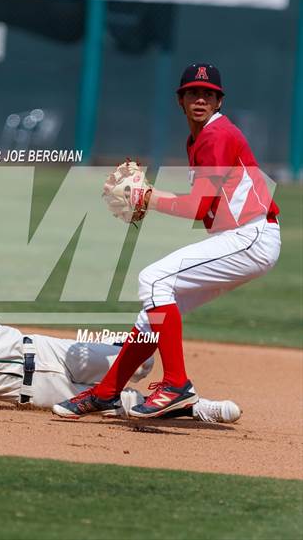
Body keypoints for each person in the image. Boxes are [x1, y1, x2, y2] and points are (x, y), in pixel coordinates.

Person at [53, 62, 280, 420]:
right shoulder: (198, 139)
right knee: (151, 316)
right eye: (193, 92)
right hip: (238, 237)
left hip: (251, 235)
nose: (201, 98)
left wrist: (148, 195)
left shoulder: (217, 135)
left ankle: (176, 384)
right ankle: (106, 393)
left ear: (219, 101)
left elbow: (198, 207)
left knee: (154, 279)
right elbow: (203, 207)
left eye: (209, 94)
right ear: (181, 100)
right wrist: (151, 197)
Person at [0, 254, 240, 424]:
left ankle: (148, 355)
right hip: (35, 393)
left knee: (142, 363)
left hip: (48, 352)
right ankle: (201, 409)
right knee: (129, 405)